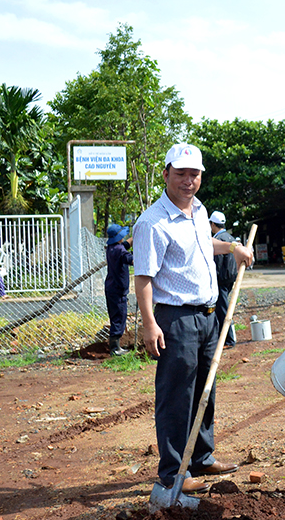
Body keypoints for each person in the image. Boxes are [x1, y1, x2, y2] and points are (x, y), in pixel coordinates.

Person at [133, 143, 254, 496]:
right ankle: (173, 472)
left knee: (206, 389)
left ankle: (201, 456)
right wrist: (149, 323)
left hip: (209, 314)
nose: (188, 181)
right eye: (181, 173)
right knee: (177, 397)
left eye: (195, 174)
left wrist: (233, 248)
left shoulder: (199, 212)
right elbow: (143, 278)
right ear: (166, 173)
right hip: (177, 319)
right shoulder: (152, 223)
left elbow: (204, 244)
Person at [209, 210, 238, 348]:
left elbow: (217, 264)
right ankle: (224, 337)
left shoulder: (218, 240)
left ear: (213, 224)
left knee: (222, 310)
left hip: (221, 280)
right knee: (224, 307)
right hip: (230, 278)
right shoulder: (231, 238)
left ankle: (229, 340)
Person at [104, 224, 133, 355]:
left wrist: (135, 238)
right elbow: (130, 259)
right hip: (118, 289)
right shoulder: (120, 251)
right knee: (119, 316)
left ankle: (115, 346)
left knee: (115, 315)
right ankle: (115, 348)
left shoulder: (112, 248)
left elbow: (125, 245)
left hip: (111, 287)